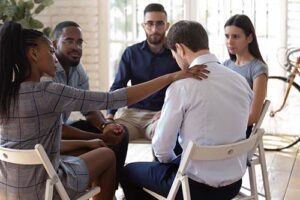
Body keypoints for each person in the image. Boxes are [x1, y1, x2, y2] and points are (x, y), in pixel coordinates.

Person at [0, 21, 207, 200]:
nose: (54, 57)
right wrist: (171, 77)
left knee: (93, 150)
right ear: (34, 54)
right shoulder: (49, 91)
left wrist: (87, 141)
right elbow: (114, 98)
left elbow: (35, 145)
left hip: (8, 188)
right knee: (107, 156)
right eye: (50, 51)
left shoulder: (6, 91)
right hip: (46, 188)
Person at [120, 20, 253, 200]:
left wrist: (173, 164)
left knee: (128, 173)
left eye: (174, 53)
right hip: (233, 184)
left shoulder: (182, 86)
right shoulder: (240, 81)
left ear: (180, 49)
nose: (175, 58)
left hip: (193, 189)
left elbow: (161, 148)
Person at [52, 21, 128, 188]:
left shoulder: (77, 69)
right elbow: (56, 128)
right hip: (52, 136)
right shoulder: (46, 72)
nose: (76, 47)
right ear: (54, 44)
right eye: (69, 41)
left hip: (62, 128)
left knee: (120, 134)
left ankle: (110, 189)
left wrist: (104, 126)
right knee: (105, 147)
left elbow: (89, 109)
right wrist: (100, 138)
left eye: (79, 42)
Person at [107, 3, 180, 141]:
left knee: (164, 137)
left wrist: (169, 111)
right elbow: (118, 85)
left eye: (159, 24)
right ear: (143, 25)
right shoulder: (131, 53)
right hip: (131, 115)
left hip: (160, 114)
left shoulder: (176, 55)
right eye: (150, 24)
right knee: (113, 136)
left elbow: (184, 88)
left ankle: (159, 164)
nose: (154, 29)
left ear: (167, 25)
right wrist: (110, 115)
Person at [223, 14, 268, 138]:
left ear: (249, 38)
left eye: (236, 37)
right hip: (221, 122)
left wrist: (225, 124)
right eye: (227, 36)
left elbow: (253, 116)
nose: (229, 42)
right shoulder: (226, 65)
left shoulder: (258, 69)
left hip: (240, 129)